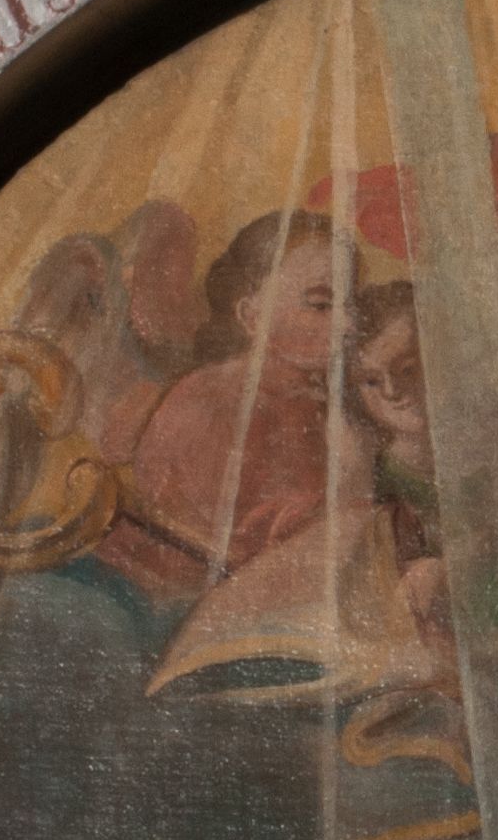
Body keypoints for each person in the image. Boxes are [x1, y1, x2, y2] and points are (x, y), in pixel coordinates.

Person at [97, 208, 352, 600]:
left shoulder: (329, 410)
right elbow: (199, 550)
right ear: (251, 315)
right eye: (320, 304)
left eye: (351, 305)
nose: (348, 325)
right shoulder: (210, 399)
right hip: (161, 600)